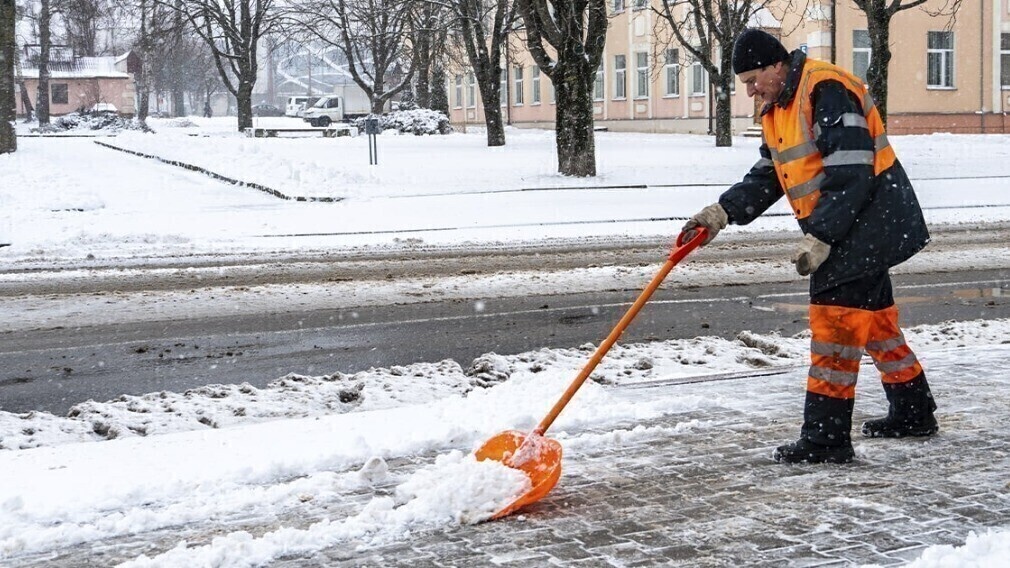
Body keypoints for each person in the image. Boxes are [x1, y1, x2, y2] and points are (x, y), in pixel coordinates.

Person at [683, 29, 938, 464]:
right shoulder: (779, 107)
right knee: (874, 322)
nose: (750, 91)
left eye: (752, 80)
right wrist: (720, 213)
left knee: (834, 327)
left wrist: (821, 236)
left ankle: (826, 439)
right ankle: (913, 412)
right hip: (851, 223)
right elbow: (769, 173)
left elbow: (853, 172)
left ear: (776, 64)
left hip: (868, 219)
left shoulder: (826, 88)